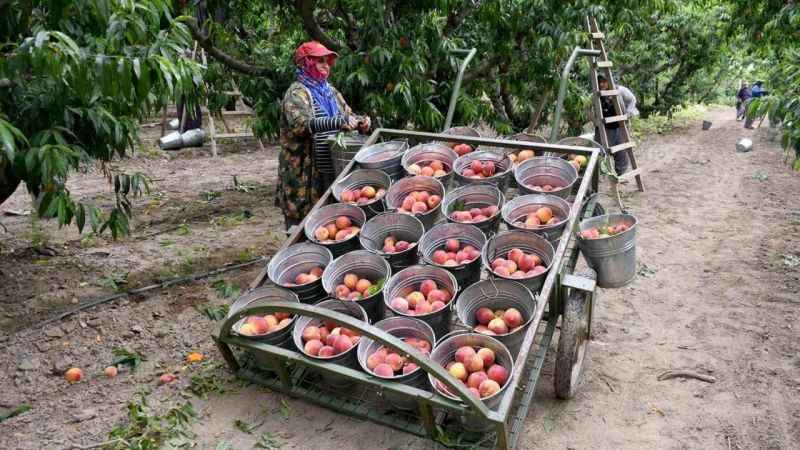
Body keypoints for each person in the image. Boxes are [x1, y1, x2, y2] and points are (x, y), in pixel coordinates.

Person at [277, 41, 371, 230]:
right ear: (306, 63)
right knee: (303, 222)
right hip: (305, 171)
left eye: (327, 61)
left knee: (331, 220)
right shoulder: (296, 93)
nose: (326, 65)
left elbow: (348, 115)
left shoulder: (329, 92)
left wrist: (361, 122)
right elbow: (302, 124)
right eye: (320, 61)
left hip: (329, 164)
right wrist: (338, 122)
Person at [594, 75, 637, 175]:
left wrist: (628, 113)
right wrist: (594, 120)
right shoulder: (596, 93)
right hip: (603, 128)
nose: (601, 84)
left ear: (610, 81)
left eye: (604, 81)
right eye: (599, 82)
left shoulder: (620, 91)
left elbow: (632, 100)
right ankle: (600, 174)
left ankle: (620, 173)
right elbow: (588, 107)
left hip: (619, 126)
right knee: (600, 151)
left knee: (621, 151)